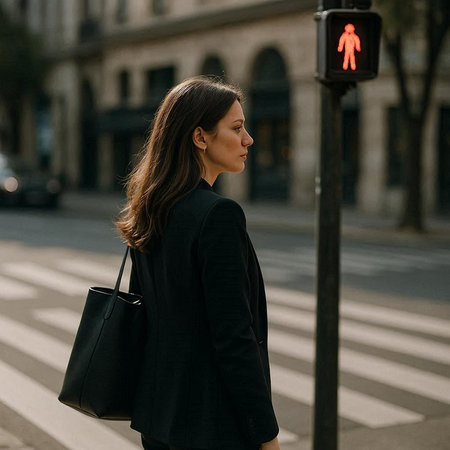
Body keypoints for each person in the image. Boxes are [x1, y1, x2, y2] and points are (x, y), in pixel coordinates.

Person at [116, 76, 280, 450]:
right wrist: (266, 436)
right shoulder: (218, 215)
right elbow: (234, 338)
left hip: (158, 420)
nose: (248, 139)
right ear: (200, 137)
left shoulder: (151, 209)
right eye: (236, 128)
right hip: (212, 426)